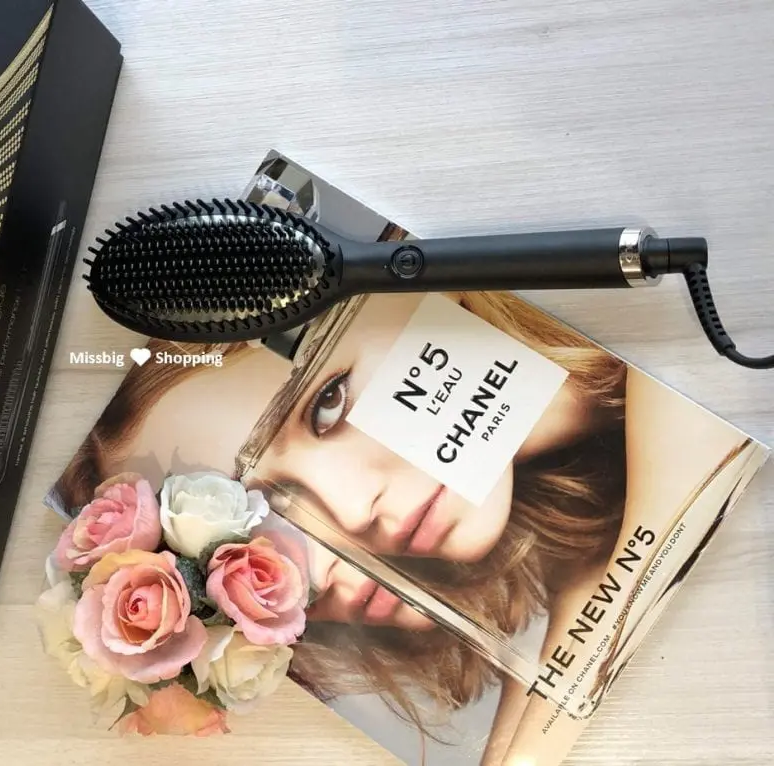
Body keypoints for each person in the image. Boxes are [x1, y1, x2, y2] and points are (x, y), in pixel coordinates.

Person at [54, 290, 746, 764]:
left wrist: (582, 608)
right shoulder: (584, 507)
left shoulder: (675, 347)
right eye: (264, 526)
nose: (352, 514)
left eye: (327, 403)